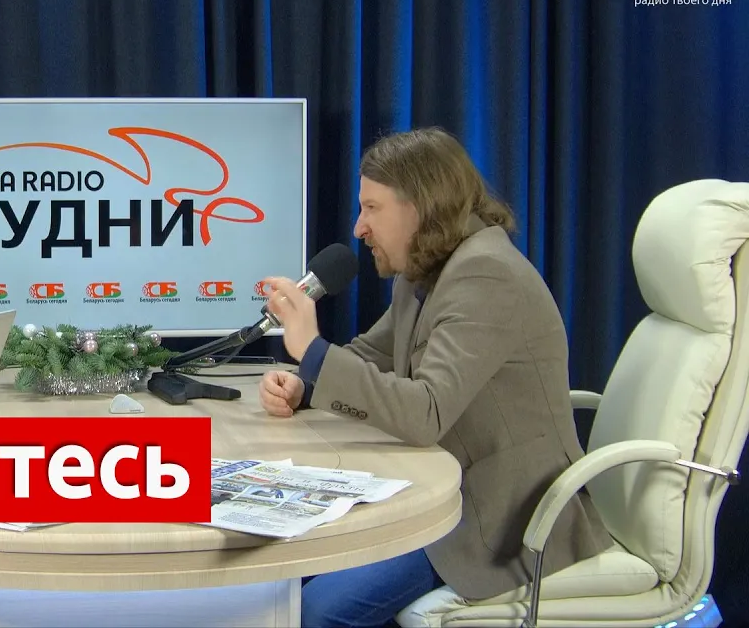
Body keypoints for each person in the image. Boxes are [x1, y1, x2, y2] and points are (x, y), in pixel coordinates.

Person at [258, 127, 614, 628]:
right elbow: (373, 354)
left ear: (420, 207)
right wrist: (305, 383)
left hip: (498, 519)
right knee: (283, 576)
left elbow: (426, 413)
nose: (359, 228)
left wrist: (313, 350)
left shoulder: (485, 274)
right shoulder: (427, 270)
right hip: (439, 489)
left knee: (318, 610)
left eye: (372, 208)